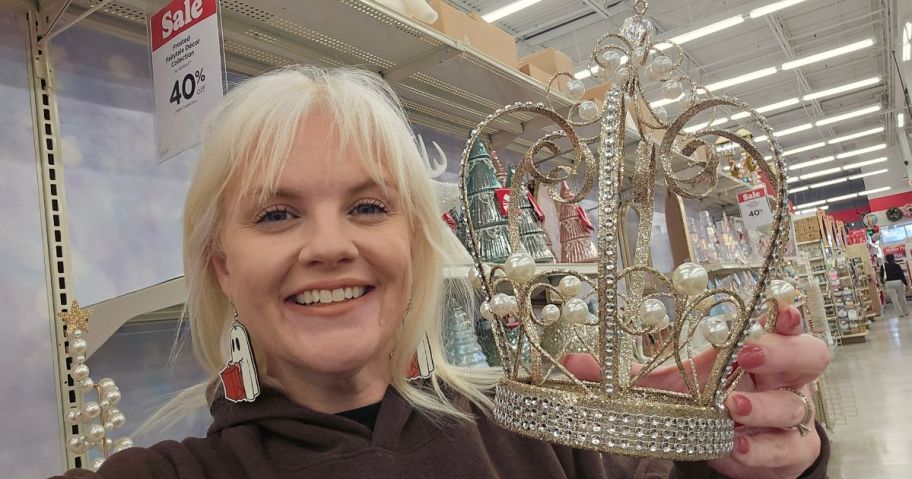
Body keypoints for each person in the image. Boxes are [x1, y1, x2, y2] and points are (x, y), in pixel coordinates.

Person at [54, 67, 830, 478]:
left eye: (367, 207)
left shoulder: (540, 435)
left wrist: (766, 456)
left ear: (417, 244)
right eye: (277, 213)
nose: (329, 244)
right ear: (223, 267)